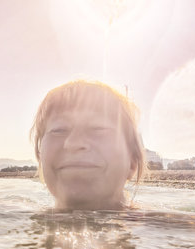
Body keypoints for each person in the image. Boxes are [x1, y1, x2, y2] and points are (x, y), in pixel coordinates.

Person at [30, 80, 146, 211]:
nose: (74, 143)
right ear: (40, 157)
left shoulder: (161, 226)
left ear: (132, 162)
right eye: (59, 130)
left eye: (98, 128)